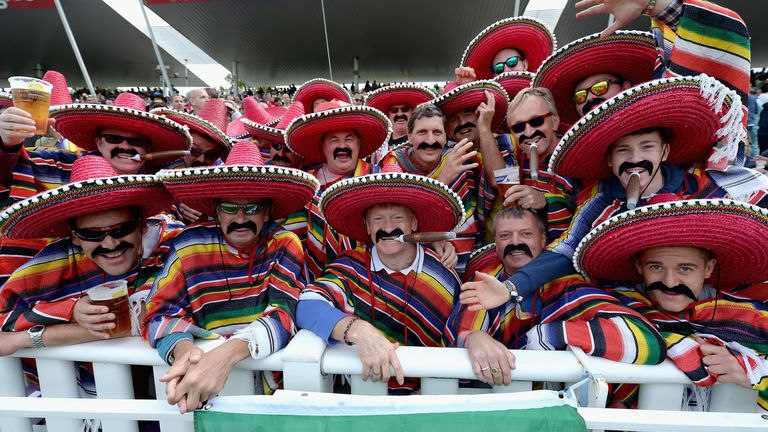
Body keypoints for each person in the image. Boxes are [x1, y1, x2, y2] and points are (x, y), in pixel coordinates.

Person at [461, 76, 768, 316]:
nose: (528, 132)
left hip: (702, 293)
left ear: (555, 121)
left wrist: (548, 202)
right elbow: (506, 188)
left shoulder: (582, 174)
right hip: (615, 284)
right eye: (518, 127)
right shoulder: (587, 188)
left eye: (536, 122)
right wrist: (486, 129)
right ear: (609, 159)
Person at [146, 141, 319, 413]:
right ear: (215, 209)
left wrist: (224, 356)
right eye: (229, 207)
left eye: (251, 208)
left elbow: (285, 314)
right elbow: (159, 312)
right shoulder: (189, 245)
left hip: (271, 395)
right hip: (201, 392)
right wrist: (183, 351)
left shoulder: (284, 243)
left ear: (267, 211)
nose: (240, 217)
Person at [574, 198, 768, 411]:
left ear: (709, 268)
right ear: (639, 266)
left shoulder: (749, 316)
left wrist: (755, 370)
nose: (670, 282)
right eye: (656, 267)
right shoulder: (610, 305)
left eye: (685, 269)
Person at [453, 207, 665, 385]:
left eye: (526, 234)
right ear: (496, 243)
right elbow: (463, 331)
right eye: (505, 236)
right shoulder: (483, 280)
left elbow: (649, 341)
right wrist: (475, 337)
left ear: (544, 239)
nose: (515, 242)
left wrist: (549, 336)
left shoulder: (567, 286)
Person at [297, 172, 465, 393]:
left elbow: (460, 331)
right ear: (367, 227)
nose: (387, 228)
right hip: (363, 393)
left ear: (414, 223)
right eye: (378, 219)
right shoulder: (351, 266)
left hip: (428, 397)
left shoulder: (442, 273)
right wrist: (359, 330)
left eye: (397, 218)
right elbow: (307, 305)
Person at [0, 155, 180, 345]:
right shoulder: (57, 259)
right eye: (91, 234)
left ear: (142, 224)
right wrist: (70, 310)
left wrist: (22, 339)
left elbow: (145, 318)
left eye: (121, 229)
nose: (110, 244)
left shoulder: (173, 244)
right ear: (75, 236)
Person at [284, 99, 391, 280]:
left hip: (370, 279)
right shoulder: (306, 184)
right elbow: (293, 238)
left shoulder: (376, 177)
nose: (343, 146)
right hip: (314, 278)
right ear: (323, 147)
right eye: (334, 140)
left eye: (349, 139)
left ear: (359, 144)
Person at [453, 17, 555, 84]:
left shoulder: (545, 93)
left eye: (512, 62)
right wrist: (466, 86)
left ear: (525, 64)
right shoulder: (488, 107)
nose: (506, 70)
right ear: (494, 75)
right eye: (499, 68)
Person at [364, 83, 434, 147]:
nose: (399, 114)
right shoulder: (380, 144)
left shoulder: (421, 141)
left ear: (413, 113)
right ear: (388, 115)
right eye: (394, 110)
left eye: (405, 109)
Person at [242, 100, 305, 169]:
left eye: (288, 148)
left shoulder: (313, 175)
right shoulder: (262, 171)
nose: (281, 154)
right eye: (276, 145)